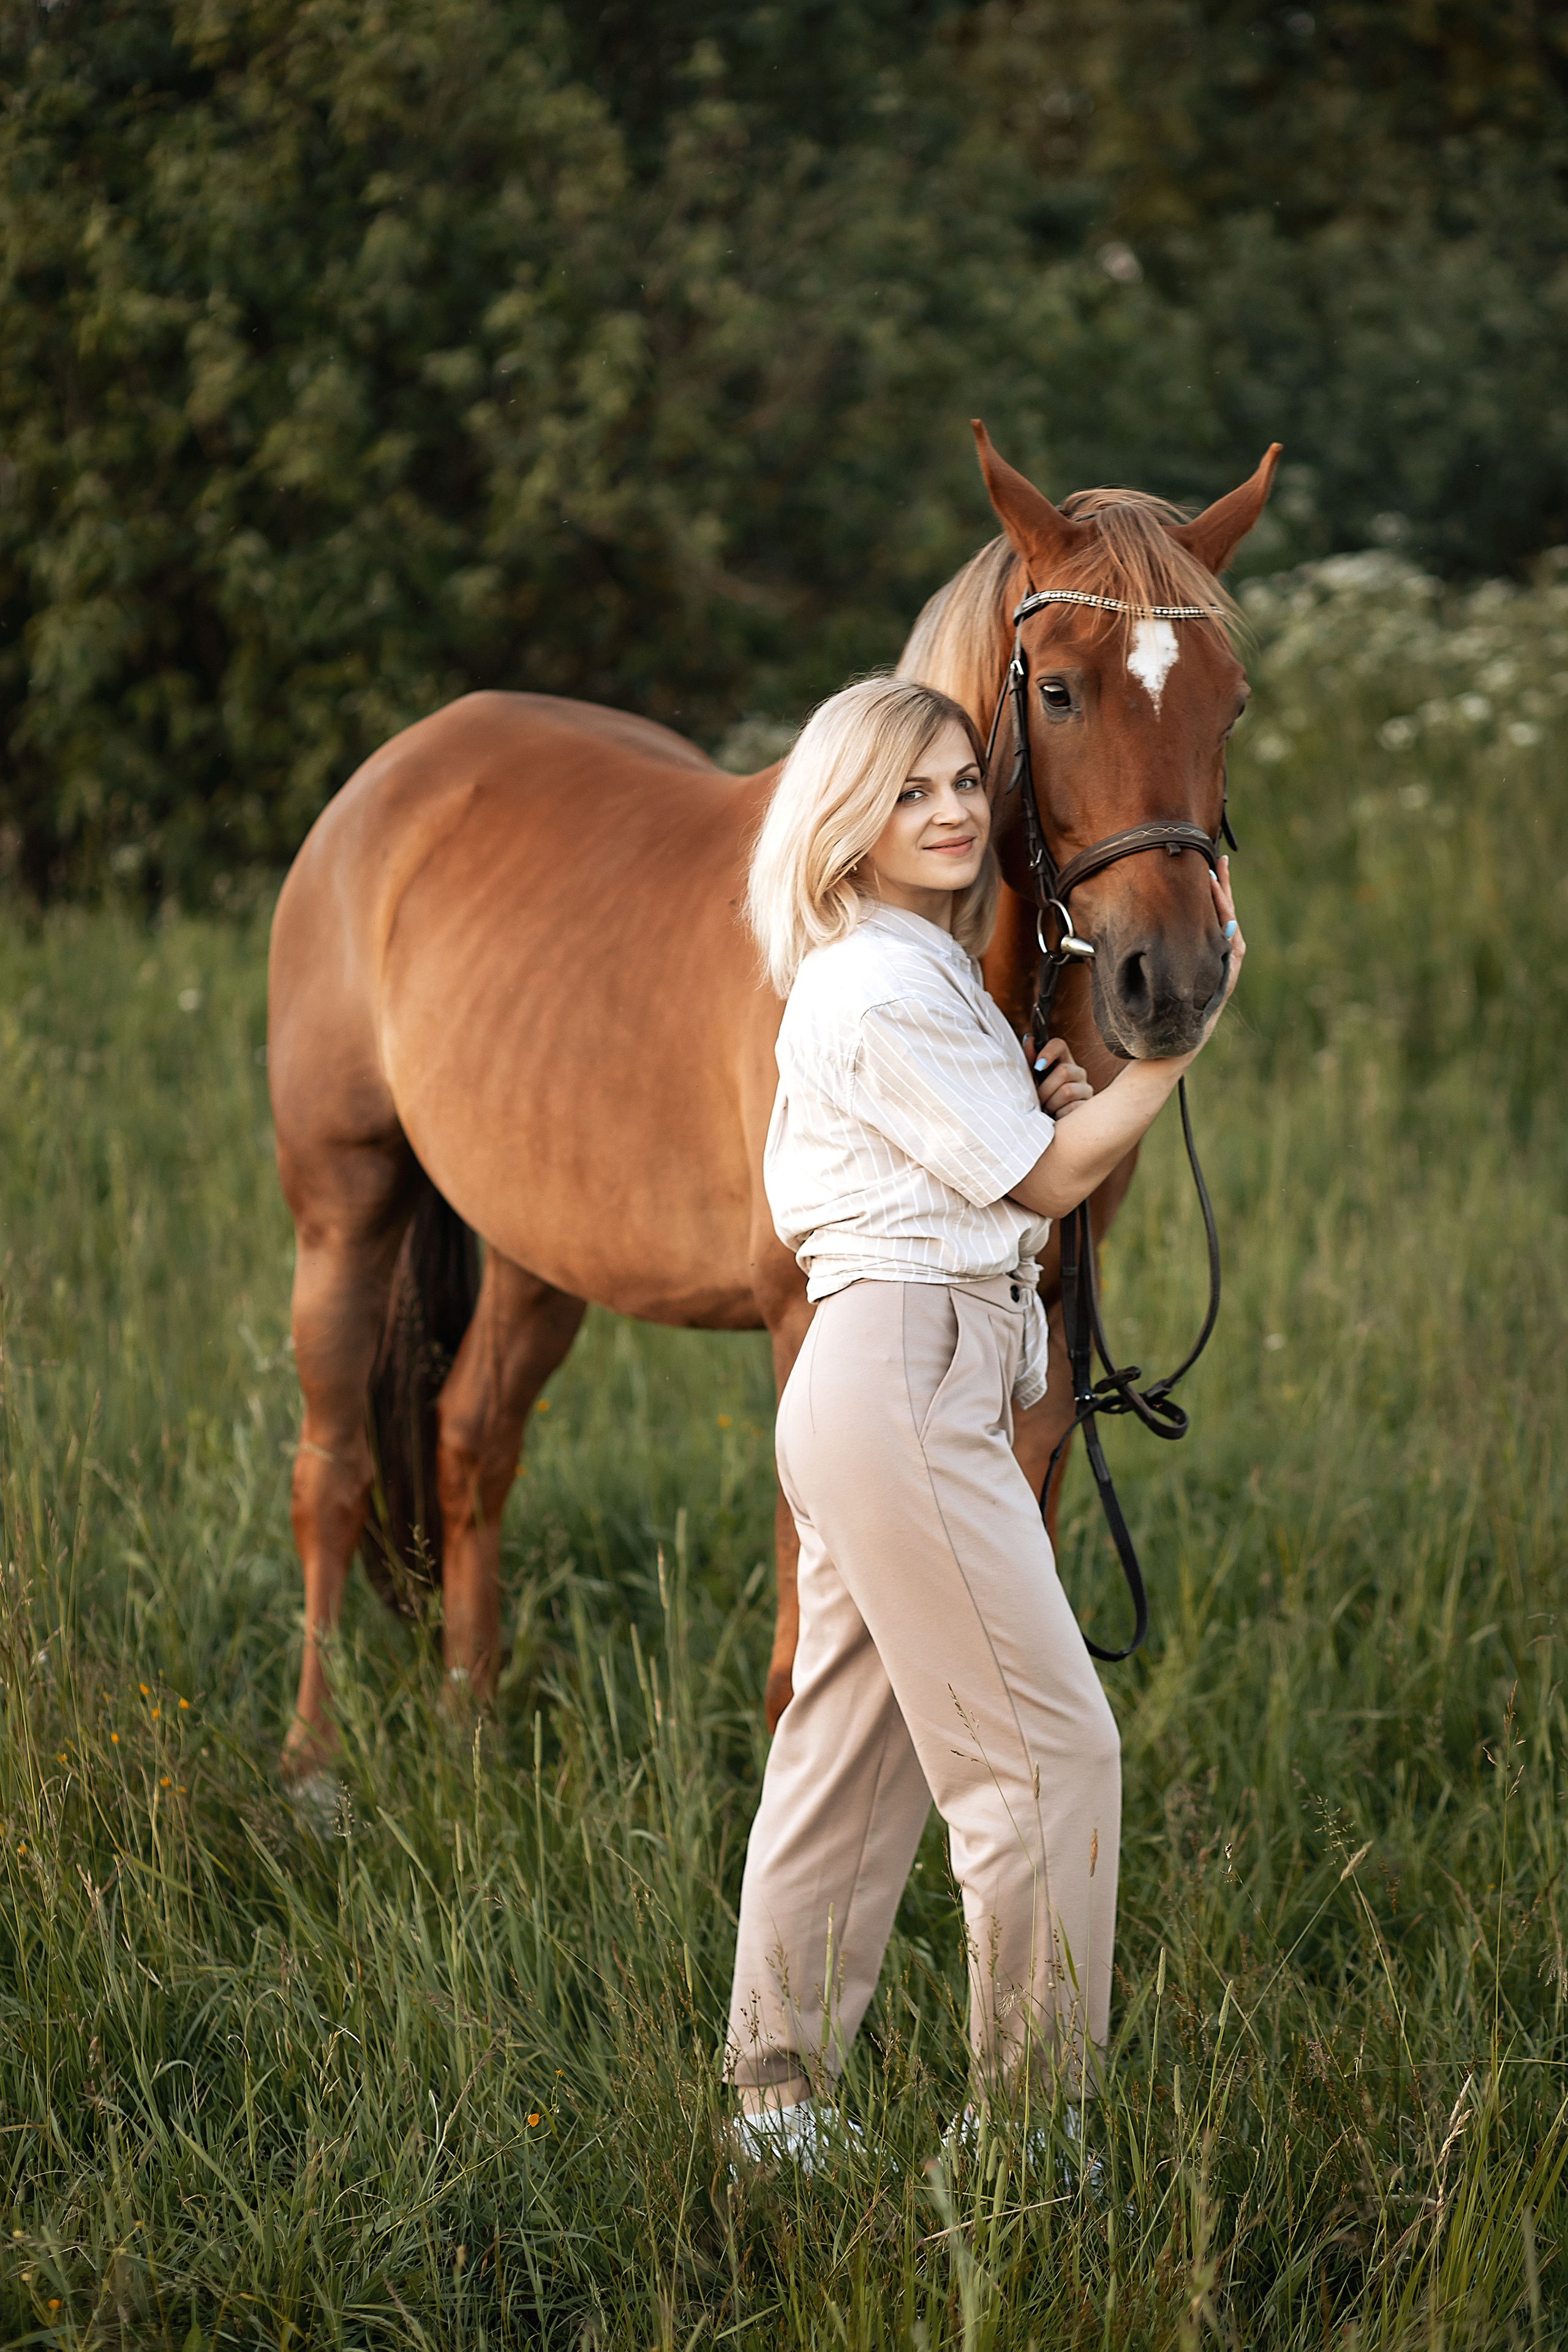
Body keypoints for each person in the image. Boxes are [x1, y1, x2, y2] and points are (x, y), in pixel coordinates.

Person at [726, 674, 1244, 2168]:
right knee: (1043, 1759)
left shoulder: (917, 973)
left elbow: (1002, 1155)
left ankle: (778, 2111)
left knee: (852, 1751)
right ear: (842, 822)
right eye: (908, 794)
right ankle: (1025, 2135)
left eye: (962, 782)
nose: (951, 810)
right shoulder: (879, 984)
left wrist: (1052, 1096)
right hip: (900, 1379)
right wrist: (1171, 1047)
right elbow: (1040, 1183)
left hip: (893, 1375)